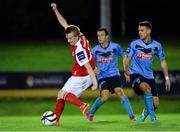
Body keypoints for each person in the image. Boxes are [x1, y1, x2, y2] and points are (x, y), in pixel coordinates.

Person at [51, 3, 98, 126]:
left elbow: (87, 66)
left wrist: (95, 82)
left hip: (82, 76)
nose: (69, 41)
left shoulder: (79, 50)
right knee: (61, 96)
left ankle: (82, 106)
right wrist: (56, 10)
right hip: (83, 74)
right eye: (67, 38)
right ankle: (56, 120)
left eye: (71, 39)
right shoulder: (79, 34)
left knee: (62, 94)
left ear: (76, 36)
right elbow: (65, 24)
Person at [123, 21, 171, 123]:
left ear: (149, 31)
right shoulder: (135, 44)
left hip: (149, 77)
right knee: (146, 88)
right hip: (136, 75)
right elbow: (127, 58)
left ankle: (144, 114)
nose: (140, 32)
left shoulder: (157, 46)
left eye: (142, 30)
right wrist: (126, 71)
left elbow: (163, 61)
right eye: (139, 30)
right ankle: (153, 118)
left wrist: (167, 78)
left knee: (155, 104)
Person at [86, 28, 135, 122]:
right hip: (102, 76)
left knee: (119, 92)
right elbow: (89, 62)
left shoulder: (115, 46)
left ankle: (132, 117)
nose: (99, 37)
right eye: (98, 35)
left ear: (107, 36)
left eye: (102, 35)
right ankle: (91, 113)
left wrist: (126, 68)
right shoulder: (95, 49)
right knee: (105, 96)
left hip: (114, 74)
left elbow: (124, 55)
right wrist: (94, 68)